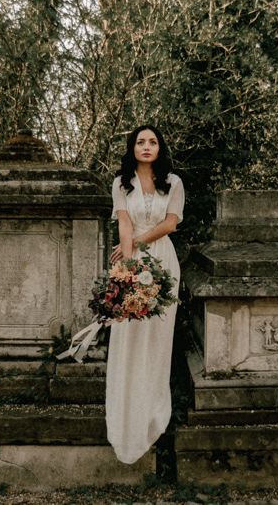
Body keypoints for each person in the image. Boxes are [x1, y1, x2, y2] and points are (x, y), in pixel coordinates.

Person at [107, 124, 185, 464]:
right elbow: (124, 223)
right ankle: (127, 413)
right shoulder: (121, 184)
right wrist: (126, 266)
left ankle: (153, 413)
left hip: (163, 260)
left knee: (156, 337)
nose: (147, 146)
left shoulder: (174, 182)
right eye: (140, 142)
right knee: (130, 334)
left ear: (160, 147)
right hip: (134, 257)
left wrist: (139, 243)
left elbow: (170, 224)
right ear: (132, 148)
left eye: (153, 141)